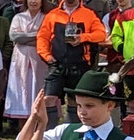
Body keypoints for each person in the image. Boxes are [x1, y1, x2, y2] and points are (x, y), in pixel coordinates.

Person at [37, 0, 106, 129]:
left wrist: (83, 38)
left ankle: (73, 133)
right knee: (48, 99)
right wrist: (46, 56)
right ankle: (49, 134)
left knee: (76, 101)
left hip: (80, 64)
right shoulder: (52, 15)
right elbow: (42, 37)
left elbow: (101, 34)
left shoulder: (89, 14)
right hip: (56, 64)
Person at [4, 0, 47, 128]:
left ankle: (39, 128)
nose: (33, 2)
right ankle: (23, 128)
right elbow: (15, 36)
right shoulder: (18, 17)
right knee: (21, 91)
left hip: (39, 60)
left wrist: (26, 37)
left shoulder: (46, 18)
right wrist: (36, 36)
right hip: (20, 60)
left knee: (37, 90)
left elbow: (46, 37)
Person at [101, 0, 132, 125]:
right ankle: (115, 126)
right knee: (114, 97)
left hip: (133, 62)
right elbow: (104, 41)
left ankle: (132, 127)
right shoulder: (109, 17)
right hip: (115, 63)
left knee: (132, 100)